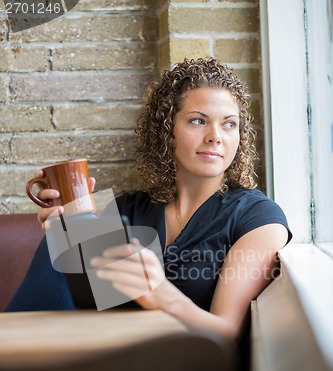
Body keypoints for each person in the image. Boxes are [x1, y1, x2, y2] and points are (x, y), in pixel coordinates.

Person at [6, 57, 291, 337]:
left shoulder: (258, 218)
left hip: (183, 365)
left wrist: (160, 293)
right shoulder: (129, 208)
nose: (215, 136)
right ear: (168, 132)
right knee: (59, 241)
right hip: (107, 352)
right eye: (197, 121)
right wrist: (63, 226)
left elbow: (226, 335)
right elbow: (81, 301)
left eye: (229, 124)